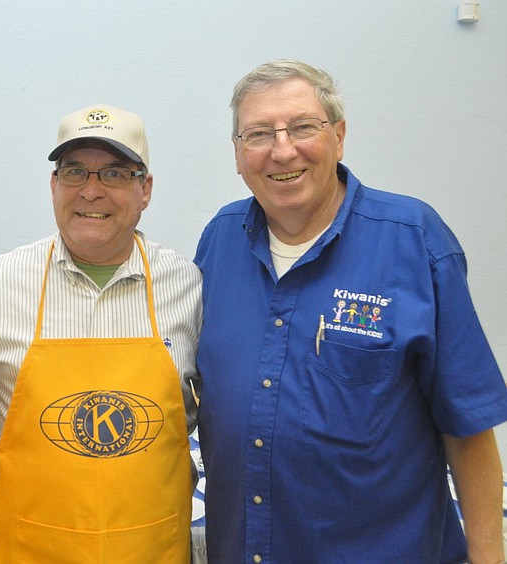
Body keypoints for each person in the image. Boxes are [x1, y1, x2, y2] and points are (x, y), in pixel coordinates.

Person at [194, 58, 507, 563]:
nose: (282, 150)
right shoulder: (219, 240)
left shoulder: (414, 241)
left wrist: (490, 557)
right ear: (237, 153)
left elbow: (467, 424)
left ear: (338, 137)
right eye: (259, 134)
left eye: (302, 127)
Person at [0, 103, 202, 563]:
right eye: (75, 172)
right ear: (54, 185)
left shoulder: (189, 287)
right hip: (26, 548)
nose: (91, 192)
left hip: (155, 548)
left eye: (114, 174)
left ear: (145, 189)